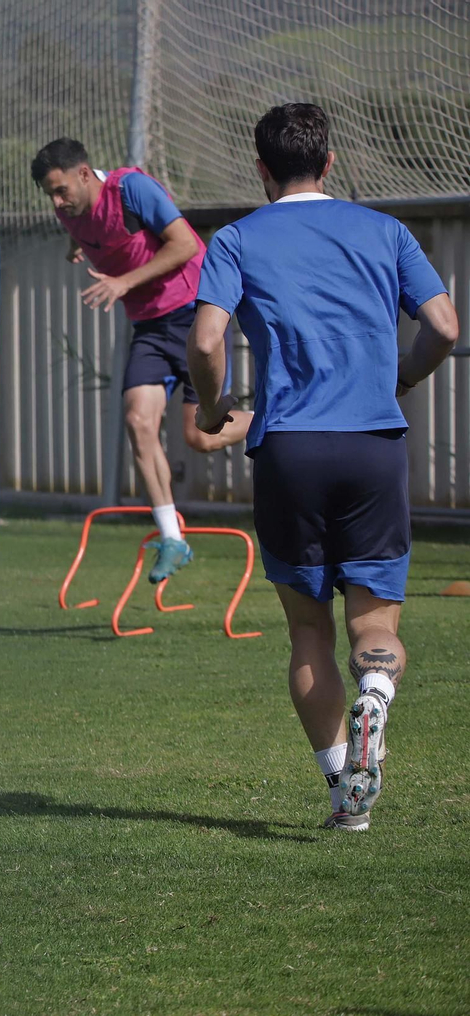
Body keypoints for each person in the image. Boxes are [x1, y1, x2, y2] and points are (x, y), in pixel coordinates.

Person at [188, 102, 459, 831]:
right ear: (331, 163)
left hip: (291, 450)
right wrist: (400, 377)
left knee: (308, 631)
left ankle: (345, 793)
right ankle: (378, 690)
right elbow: (444, 327)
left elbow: (208, 342)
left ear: (261, 168)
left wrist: (213, 412)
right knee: (374, 619)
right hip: (373, 443)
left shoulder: (238, 239)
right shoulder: (386, 230)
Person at [32, 138, 253, 582]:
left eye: (61, 190)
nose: (57, 201)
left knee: (202, 437)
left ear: (83, 173)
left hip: (194, 314)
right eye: (50, 195)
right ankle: (172, 538)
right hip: (150, 328)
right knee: (138, 421)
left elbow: (185, 246)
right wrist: (79, 248)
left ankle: (282, 417)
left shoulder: (132, 189)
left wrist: (122, 282)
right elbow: (96, 237)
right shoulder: (69, 212)